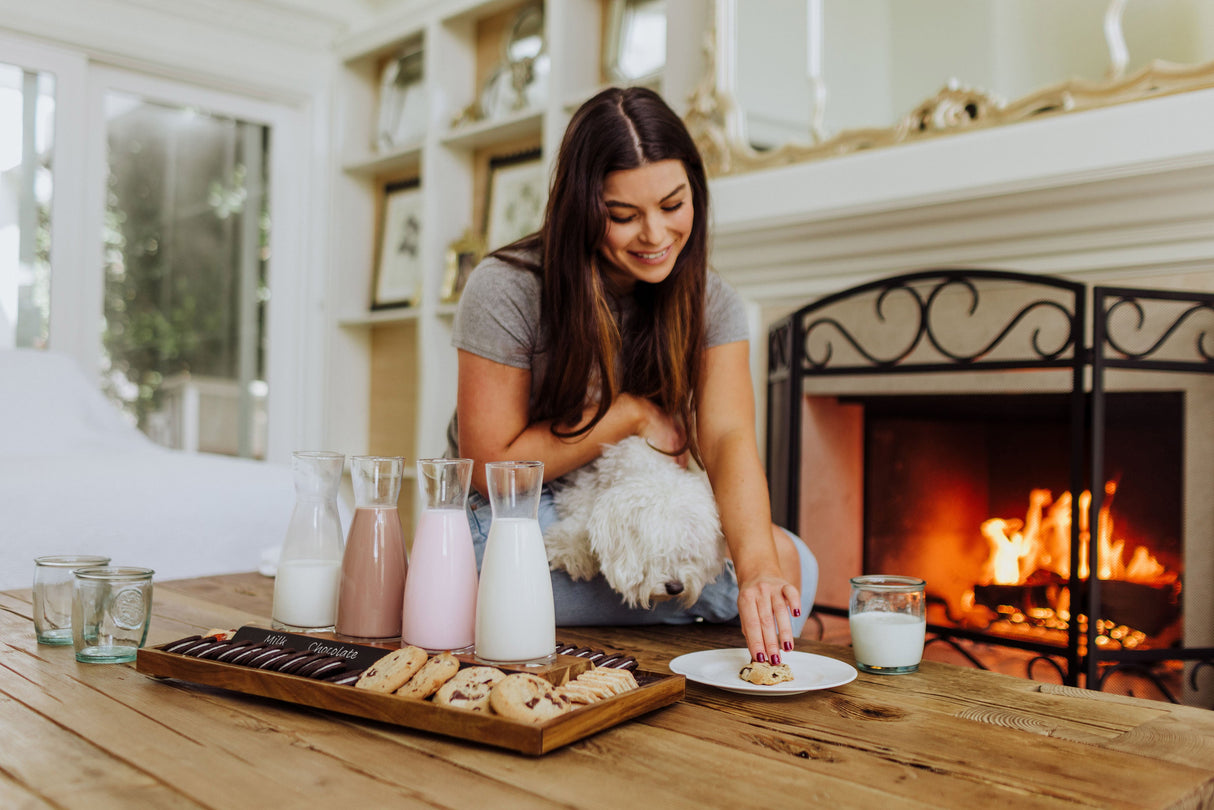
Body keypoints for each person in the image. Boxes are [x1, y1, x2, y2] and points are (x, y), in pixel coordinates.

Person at [448, 86, 817, 666]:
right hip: (512, 513)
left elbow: (728, 438)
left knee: (792, 564)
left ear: (695, 192)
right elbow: (490, 462)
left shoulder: (712, 302)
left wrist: (759, 571)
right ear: (582, 210)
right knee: (485, 569)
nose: (655, 235)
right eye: (623, 216)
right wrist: (628, 414)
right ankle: (681, 607)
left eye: (673, 205)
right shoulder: (506, 286)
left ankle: (547, 607)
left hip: (635, 510)